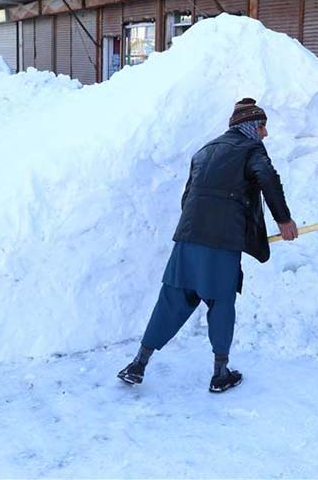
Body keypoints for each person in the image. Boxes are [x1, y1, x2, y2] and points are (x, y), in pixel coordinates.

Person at [118, 98, 298, 392]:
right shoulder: (251, 148)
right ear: (252, 126)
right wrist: (284, 220)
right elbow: (267, 177)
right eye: (263, 126)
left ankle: (138, 364)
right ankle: (220, 373)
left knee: (171, 300)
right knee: (221, 302)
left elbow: (187, 196)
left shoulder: (205, 150)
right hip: (220, 243)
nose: (266, 134)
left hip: (188, 239)